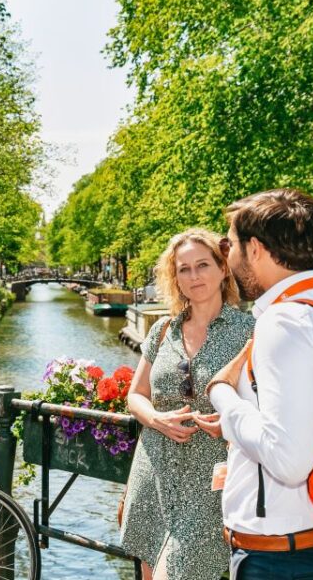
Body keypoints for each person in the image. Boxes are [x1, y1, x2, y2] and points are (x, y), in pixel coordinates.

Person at [208, 188, 313, 579]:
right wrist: (240, 421)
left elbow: (288, 461)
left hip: (284, 560)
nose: (227, 256)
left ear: (256, 249)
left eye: (230, 243)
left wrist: (224, 398)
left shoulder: (285, 323)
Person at [121, 228, 254, 580]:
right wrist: (155, 418)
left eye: (203, 265)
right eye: (184, 269)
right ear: (175, 278)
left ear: (223, 269)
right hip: (154, 472)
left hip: (208, 481)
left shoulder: (250, 331)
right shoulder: (163, 329)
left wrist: (231, 424)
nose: (194, 276)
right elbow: (136, 394)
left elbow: (268, 406)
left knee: (181, 572)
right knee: (150, 571)